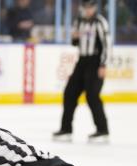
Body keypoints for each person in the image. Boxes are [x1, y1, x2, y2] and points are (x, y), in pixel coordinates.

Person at [53, 0, 111, 143]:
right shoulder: (78, 21)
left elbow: (107, 44)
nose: (87, 10)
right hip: (82, 61)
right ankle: (66, 129)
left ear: (95, 8)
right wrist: (74, 37)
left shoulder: (100, 22)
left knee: (92, 96)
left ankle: (103, 130)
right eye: (85, 7)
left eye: (90, 7)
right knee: (69, 93)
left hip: (95, 62)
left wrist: (103, 64)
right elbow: (75, 43)